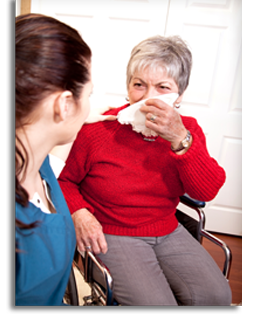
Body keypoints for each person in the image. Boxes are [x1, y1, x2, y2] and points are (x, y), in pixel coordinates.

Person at [58, 35, 232, 306]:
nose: (148, 98)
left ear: (179, 95)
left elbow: (206, 191)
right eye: (139, 85)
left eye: (163, 87)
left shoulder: (188, 131)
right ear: (128, 87)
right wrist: (80, 213)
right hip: (112, 233)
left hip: (168, 228)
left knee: (217, 296)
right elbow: (65, 181)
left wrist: (179, 139)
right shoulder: (98, 130)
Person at [15, 13, 115, 306]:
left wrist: (80, 118)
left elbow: (54, 163)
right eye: (89, 96)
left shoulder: (35, 160)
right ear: (65, 104)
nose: (89, 107)